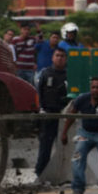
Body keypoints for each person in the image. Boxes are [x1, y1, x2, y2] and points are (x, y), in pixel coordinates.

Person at [60, 75, 98, 194]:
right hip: (85, 133)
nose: (95, 90)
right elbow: (71, 115)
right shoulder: (82, 99)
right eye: (93, 87)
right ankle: (78, 188)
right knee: (77, 157)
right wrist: (64, 133)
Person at [34, 47, 70, 181]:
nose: (60, 58)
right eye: (57, 55)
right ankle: (40, 173)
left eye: (62, 56)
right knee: (45, 146)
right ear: (52, 57)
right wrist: (40, 110)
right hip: (48, 114)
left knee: (65, 146)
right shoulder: (45, 73)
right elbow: (38, 94)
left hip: (65, 116)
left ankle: (64, 175)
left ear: (65, 59)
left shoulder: (69, 75)